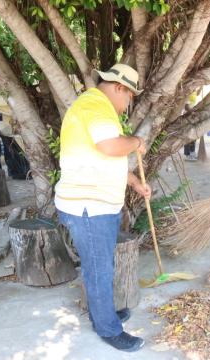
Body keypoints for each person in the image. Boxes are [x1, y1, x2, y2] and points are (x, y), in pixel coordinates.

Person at [55, 63, 150, 353]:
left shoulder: (98, 107)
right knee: (99, 268)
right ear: (119, 87)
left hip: (95, 206)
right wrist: (136, 141)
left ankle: (102, 312)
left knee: (101, 266)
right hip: (88, 208)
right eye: (129, 96)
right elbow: (111, 147)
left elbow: (105, 158)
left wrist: (134, 183)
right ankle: (108, 328)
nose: (128, 103)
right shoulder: (95, 105)